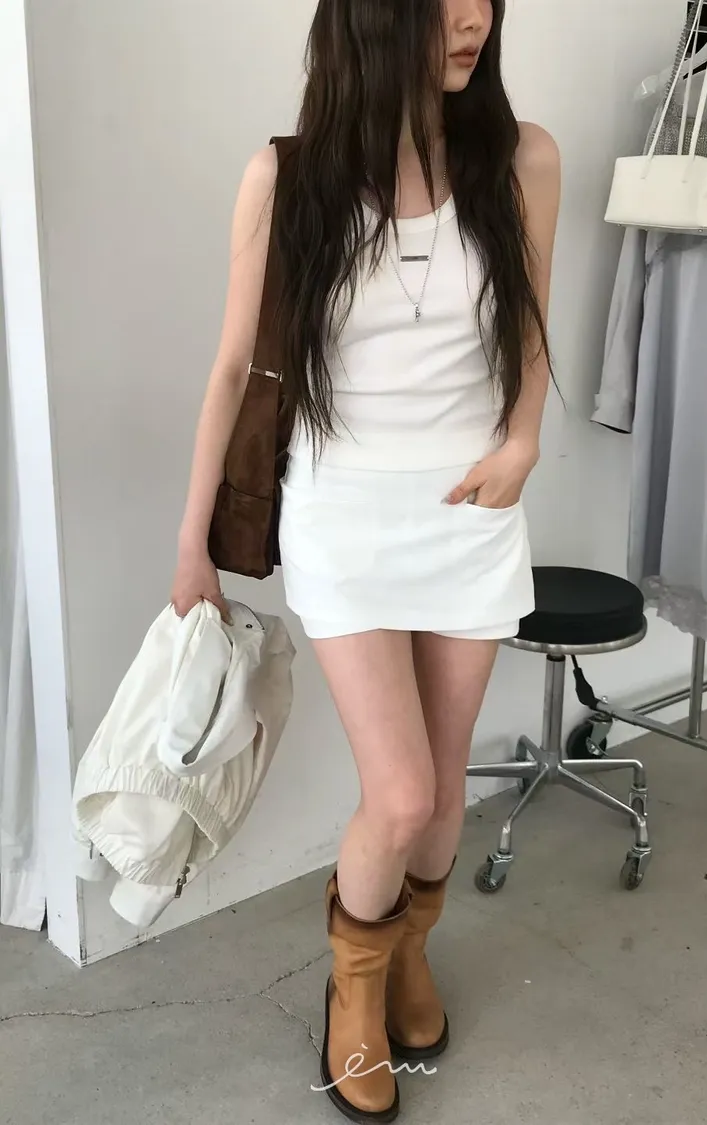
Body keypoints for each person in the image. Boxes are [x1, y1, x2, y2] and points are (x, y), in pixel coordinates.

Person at [172, 0, 561, 1120]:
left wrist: (524, 441)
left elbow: (531, 330)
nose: (474, 17)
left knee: (443, 801)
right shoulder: (288, 177)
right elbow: (233, 366)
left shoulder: (522, 159)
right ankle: (353, 990)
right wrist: (192, 542)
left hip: (471, 514)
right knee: (400, 794)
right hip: (343, 518)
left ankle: (405, 955)